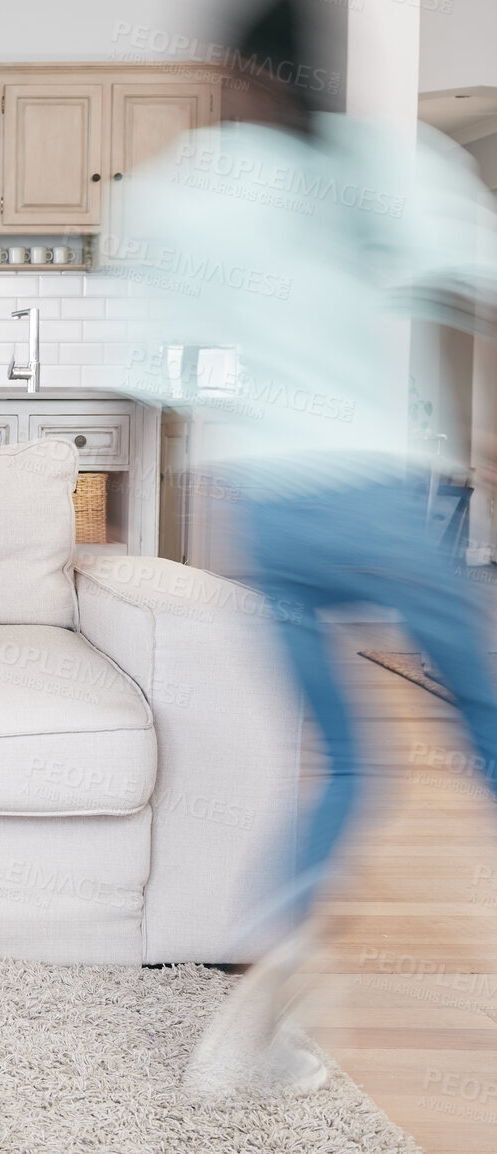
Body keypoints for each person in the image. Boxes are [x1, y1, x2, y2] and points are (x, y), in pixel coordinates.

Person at [114, 0, 497, 1095]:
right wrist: (467, 416)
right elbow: (471, 280)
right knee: (479, 711)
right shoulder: (389, 168)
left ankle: (282, 948)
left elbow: (165, 371)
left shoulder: (177, 191)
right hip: (374, 494)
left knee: (339, 748)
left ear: (238, 72)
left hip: (264, 516)